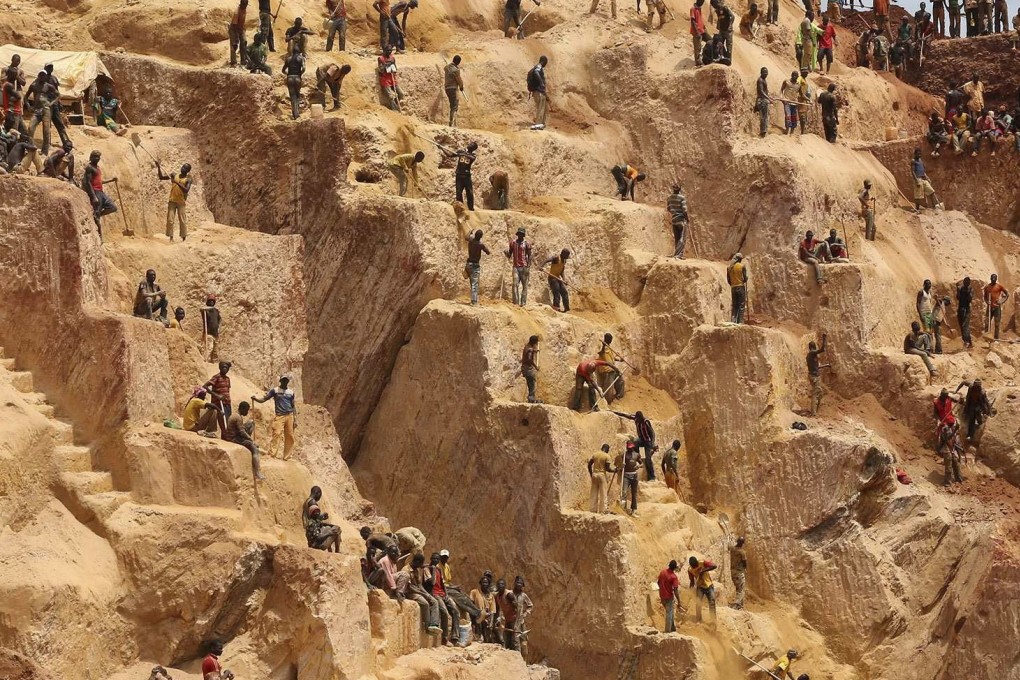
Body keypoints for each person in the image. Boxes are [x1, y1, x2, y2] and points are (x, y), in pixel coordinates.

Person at [252, 375, 298, 460]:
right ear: (280, 381)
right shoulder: (275, 391)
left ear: (288, 382)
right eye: (283, 380)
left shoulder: (291, 392)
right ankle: (272, 454)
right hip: (279, 415)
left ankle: (287, 456)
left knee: (290, 435)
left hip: (289, 415)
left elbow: (293, 405)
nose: (285, 382)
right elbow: (265, 399)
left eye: (286, 380)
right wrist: (256, 399)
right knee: (276, 433)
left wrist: (295, 418)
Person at [224, 401, 264, 481]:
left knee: (251, 422)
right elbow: (241, 431)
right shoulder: (237, 417)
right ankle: (257, 472)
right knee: (254, 449)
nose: (247, 412)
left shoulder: (236, 415)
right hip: (233, 438)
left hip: (235, 435)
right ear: (242, 408)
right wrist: (251, 440)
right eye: (246, 410)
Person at [154, 161, 193, 242]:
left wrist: (176, 183)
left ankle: (183, 237)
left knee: (182, 220)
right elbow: (161, 177)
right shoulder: (174, 175)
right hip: (172, 201)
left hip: (181, 202)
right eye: (183, 167)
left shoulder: (188, 179)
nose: (183, 168)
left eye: (185, 168)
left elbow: (186, 190)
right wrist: (158, 167)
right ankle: (171, 237)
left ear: (188, 171)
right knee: (170, 220)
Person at [429, 552, 462, 646]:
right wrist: (432, 570)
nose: (436, 560)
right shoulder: (427, 569)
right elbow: (431, 583)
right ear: (431, 559)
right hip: (435, 593)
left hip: (443, 594)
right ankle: (444, 638)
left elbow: (443, 584)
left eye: (437, 559)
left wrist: (446, 594)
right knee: (444, 611)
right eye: (434, 559)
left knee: (455, 611)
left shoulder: (440, 570)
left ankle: (455, 636)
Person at [407, 554, 443, 636]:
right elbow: (409, 587)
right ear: (417, 562)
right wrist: (422, 593)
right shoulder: (407, 570)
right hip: (409, 592)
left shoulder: (416, 570)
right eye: (421, 563)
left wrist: (426, 594)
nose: (422, 566)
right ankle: (427, 628)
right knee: (425, 603)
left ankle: (433, 625)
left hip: (417, 591)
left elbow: (419, 585)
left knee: (434, 601)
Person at [82, 150, 118, 232]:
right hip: (95, 192)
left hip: (101, 192)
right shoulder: (90, 168)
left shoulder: (97, 168)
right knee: (97, 215)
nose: (97, 158)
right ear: (91, 157)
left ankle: (96, 215)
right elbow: (88, 182)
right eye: (95, 156)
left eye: (98, 157)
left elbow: (98, 181)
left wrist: (111, 180)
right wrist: (94, 196)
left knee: (113, 207)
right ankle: (99, 236)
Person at [25, 71, 58, 155]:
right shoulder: (33, 86)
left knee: (46, 130)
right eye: (41, 75)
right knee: (30, 127)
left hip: (46, 110)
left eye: (44, 76)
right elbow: (25, 97)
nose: (43, 77)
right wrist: (28, 106)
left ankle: (45, 151)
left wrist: (51, 103)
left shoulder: (48, 86)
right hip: (37, 110)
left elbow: (58, 95)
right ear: (38, 76)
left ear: (46, 77)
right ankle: (30, 147)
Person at [500, 576, 533, 654]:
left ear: (522, 585)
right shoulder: (509, 594)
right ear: (514, 583)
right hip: (509, 620)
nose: (518, 584)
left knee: (522, 642)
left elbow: (530, 605)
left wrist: (525, 613)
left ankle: (522, 660)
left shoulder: (524, 595)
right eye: (517, 582)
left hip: (520, 622)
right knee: (508, 640)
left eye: (520, 583)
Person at [204, 361, 234, 436]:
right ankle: (226, 438)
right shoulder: (217, 377)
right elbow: (205, 386)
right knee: (223, 422)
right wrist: (216, 395)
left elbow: (227, 390)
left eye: (226, 368)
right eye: (223, 367)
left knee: (228, 422)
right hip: (219, 404)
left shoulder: (227, 379)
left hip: (227, 403)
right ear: (219, 368)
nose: (225, 369)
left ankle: (225, 438)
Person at [446, 141, 477, 210]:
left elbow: (472, 158)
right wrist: (441, 149)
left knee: (469, 192)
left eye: (471, 144)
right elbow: (449, 155)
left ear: (473, 148)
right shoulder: (461, 152)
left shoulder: (473, 155)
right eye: (470, 143)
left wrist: (463, 154)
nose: (469, 144)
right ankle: (461, 207)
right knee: (458, 192)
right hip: (459, 175)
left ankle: (471, 208)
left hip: (467, 176)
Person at [506, 227, 532, 306]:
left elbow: (530, 256)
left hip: (524, 267)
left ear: (523, 235)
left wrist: (528, 267)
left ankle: (523, 303)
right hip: (516, 267)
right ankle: (515, 303)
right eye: (519, 234)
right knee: (515, 284)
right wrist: (506, 253)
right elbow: (509, 255)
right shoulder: (513, 243)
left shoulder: (526, 244)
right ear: (518, 234)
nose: (520, 235)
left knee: (525, 286)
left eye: (521, 234)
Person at [687, 556, 717, 624]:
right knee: (698, 603)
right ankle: (698, 620)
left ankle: (713, 621)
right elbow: (692, 581)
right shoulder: (690, 570)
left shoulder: (702, 562)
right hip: (700, 587)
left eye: (695, 565)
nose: (695, 567)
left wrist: (703, 570)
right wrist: (691, 590)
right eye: (693, 566)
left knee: (712, 602)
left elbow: (714, 566)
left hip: (708, 585)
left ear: (697, 562)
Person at [464, 229, 490, 306]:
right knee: (475, 285)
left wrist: (470, 231)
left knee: (472, 283)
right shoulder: (480, 244)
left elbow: (466, 237)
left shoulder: (471, 241)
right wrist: (484, 246)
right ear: (481, 237)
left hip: (468, 265)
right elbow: (488, 252)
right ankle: (474, 302)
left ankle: (473, 299)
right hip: (475, 266)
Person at [588, 443, 615, 513]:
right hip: (601, 475)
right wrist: (615, 470)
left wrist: (591, 474)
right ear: (607, 449)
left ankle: (592, 509)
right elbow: (608, 468)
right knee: (603, 493)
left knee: (593, 492)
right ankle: (603, 510)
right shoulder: (607, 456)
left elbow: (589, 465)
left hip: (594, 474)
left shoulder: (595, 454)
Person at [938, 416, 964, 486]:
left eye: (952, 424)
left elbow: (955, 440)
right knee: (948, 467)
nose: (952, 425)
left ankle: (958, 479)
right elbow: (947, 438)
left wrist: (960, 448)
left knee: (956, 464)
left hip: (952, 449)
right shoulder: (944, 429)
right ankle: (947, 483)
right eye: (951, 424)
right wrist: (955, 430)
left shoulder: (953, 428)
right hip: (946, 449)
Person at [469, 575, 497, 642]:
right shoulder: (474, 592)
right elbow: (470, 604)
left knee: (488, 636)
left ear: (489, 584)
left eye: (486, 582)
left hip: (487, 617)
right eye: (483, 582)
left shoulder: (491, 595)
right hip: (476, 615)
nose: (484, 584)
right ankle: (478, 635)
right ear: (480, 583)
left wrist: (491, 623)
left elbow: (492, 610)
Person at [618, 441, 643, 515]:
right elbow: (619, 466)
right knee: (624, 492)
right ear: (627, 447)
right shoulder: (624, 455)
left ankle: (633, 510)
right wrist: (621, 466)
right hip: (626, 476)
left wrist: (639, 466)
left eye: (631, 448)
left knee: (634, 493)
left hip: (634, 476)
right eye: (629, 448)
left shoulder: (637, 455)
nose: (630, 449)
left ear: (633, 447)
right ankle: (623, 509)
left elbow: (642, 463)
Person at [282, 44, 306, 120]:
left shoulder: (288, 59)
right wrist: (300, 74)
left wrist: (288, 74)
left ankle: (294, 114)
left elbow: (283, 70)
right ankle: (297, 113)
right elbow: (304, 68)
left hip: (290, 78)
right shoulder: (301, 58)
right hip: (297, 78)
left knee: (292, 96)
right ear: (299, 52)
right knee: (297, 95)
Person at [806, 333, 827, 415]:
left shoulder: (811, 356)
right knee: (815, 393)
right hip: (814, 377)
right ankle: (813, 412)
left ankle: (815, 410)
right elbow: (822, 350)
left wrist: (826, 365)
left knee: (820, 393)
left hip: (815, 376)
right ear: (813, 347)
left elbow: (816, 367)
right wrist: (824, 339)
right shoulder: (811, 353)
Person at [378, 46, 404, 112]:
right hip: (385, 80)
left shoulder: (392, 58)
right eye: (388, 50)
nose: (389, 52)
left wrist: (392, 67)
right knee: (390, 96)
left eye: (390, 50)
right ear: (385, 50)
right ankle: (394, 110)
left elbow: (395, 68)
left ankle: (395, 104)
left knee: (401, 93)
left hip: (392, 79)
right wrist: (386, 65)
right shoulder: (380, 58)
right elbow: (380, 70)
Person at [910, 148, 937, 212]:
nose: (919, 155)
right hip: (918, 179)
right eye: (918, 154)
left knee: (931, 191)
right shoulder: (913, 161)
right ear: (915, 154)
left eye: (920, 154)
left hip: (923, 178)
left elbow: (922, 170)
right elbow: (912, 171)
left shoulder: (920, 160)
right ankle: (917, 209)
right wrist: (916, 181)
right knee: (918, 195)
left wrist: (927, 177)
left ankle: (934, 207)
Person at [983, 273, 1009, 339]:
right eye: (992, 278)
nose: (993, 279)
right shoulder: (987, 287)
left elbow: (1007, 294)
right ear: (990, 278)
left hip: (997, 307)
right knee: (987, 322)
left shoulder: (999, 286)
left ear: (996, 279)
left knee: (997, 323)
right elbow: (985, 297)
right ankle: (987, 337)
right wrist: (987, 302)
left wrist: (1001, 301)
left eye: (994, 278)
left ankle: (996, 338)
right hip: (989, 307)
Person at [667, 184, 689, 258]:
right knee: (682, 237)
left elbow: (669, 209)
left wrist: (674, 213)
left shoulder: (669, 198)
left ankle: (676, 253)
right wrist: (687, 218)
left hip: (674, 220)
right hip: (681, 219)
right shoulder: (682, 198)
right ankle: (679, 255)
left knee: (677, 237)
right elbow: (685, 210)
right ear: (680, 189)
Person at [658, 560, 681, 633]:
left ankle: (673, 628)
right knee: (669, 613)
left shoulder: (662, 572)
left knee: (670, 612)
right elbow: (675, 590)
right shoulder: (673, 577)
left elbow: (658, 582)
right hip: (669, 597)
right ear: (674, 568)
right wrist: (679, 601)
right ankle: (667, 631)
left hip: (662, 596)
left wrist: (663, 589)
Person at [527, 57, 548, 130]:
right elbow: (536, 72)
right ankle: (538, 124)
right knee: (541, 107)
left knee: (541, 107)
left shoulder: (537, 67)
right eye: (546, 63)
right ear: (544, 61)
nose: (545, 65)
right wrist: (541, 83)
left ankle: (541, 123)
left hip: (536, 91)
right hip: (539, 91)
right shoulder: (539, 66)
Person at [444, 55, 465, 127]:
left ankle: (451, 122)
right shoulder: (456, 70)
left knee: (451, 105)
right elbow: (459, 80)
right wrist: (461, 87)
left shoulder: (447, 67)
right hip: (453, 88)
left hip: (447, 88)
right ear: (458, 62)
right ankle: (452, 123)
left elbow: (446, 68)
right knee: (454, 106)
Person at [727, 253, 748, 324]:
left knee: (735, 305)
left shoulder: (729, 267)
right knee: (741, 305)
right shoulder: (742, 266)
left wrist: (733, 284)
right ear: (740, 259)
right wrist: (745, 279)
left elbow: (728, 280)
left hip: (733, 288)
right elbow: (745, 279)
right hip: (740, 287)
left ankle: (733, 321)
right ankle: (740, 322)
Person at [228, 0, 249, 66]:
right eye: (244, 5)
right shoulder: (237, 12)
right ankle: (233, 62)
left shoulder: (244, 9)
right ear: (241, 4)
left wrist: (243, 30)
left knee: (244, 42)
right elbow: (235, 25)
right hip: (234, 28)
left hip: (241, 27)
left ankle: (243, 60)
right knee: (234, 44)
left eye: (246, 5)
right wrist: (237, 37)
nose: (245, 6)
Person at [521, 335, 541, 403]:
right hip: (528, 368)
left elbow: (529, 352)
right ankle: (531, 398)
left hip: (524, 368)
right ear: (534, 342)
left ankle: (531, 398)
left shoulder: (527, 347)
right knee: (532, 382)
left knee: (530, 382)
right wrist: (536, 366)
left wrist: (535, 351)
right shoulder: (530, 349)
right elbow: (529, 359)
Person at [781, 71, 802, 135]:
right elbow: (781, 90)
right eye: (793, 75)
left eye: (796, 76)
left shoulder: (798, 84)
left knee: (794, 117)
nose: (794, 77)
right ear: (791, 75)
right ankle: (787, 131)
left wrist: (808, 100)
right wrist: (782, 98)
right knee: (788, 116)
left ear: (797, 77)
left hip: (794, 103)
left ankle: (792, 132)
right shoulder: (786, 81)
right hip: (787, 102)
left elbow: (801, 94)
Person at [729, 537, 747, 609]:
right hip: (739, 572)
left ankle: (740, 605)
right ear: (742, 543)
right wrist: (745, 568)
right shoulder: (742, 552)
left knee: (738, 588)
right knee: (741, 590)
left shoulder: (732, 549)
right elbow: (744, 562)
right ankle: (736, 605)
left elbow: (729, 547)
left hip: (732, 571)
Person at [957, 277, 974, 348]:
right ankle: (969, 342)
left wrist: (968, 293)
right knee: (962, 326)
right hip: (960, 309)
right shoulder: (961, 289)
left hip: (967, 309)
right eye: (965, 282)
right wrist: (957, 290)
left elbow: (970, 299)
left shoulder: (970, 289)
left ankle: (966, 341)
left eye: (967, 283)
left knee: (965, 326)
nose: (966, 284)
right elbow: (958, 298)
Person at [755, 67, 772, 137]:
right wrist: (768, 98)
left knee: (765, 116)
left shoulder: (764, 79)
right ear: (761, 73)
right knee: (764, 116)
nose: (766, 75)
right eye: (764, 73)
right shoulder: (760, 80)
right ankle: (763, 131)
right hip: (762, 100)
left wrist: (769, 96)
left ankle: (764, 131)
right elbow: (761, 91)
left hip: (764, 99)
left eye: (766, 74)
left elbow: (765, 91)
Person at [691, 0, 708, 65]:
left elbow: (700, 19)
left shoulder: (699, 9)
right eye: (701, 1)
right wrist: (697, 32)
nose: (702, 3)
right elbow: (693, 21)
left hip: (702, 30)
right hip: (697, 32)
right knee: (697, 47)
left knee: (710, 41)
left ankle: (705, 56)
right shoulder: (693, 9)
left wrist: (704, 27)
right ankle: (698, 62)